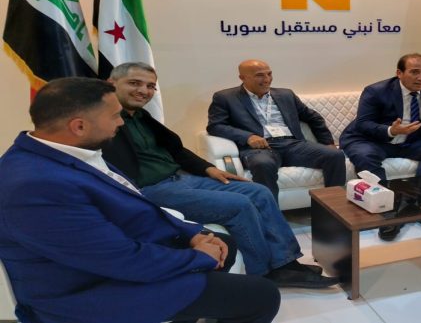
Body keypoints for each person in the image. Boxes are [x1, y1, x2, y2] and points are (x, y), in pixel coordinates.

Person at [0, 77, 280, 323]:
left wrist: (192, 233)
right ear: (79, 126)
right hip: (91, 291)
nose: (121, 123)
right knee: (261, 295)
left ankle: (189, 309)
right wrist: (196, 257)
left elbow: (139, 204)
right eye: (115, 116)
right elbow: (117, 260)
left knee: (224, 244)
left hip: (121, 256)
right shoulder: (34, 186)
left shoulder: (70, 150)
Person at [103, 62, 337, 289]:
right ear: (111, 83)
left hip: (180, 179)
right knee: (240, 205)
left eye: (150, 86)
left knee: (259, 192)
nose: (144, 91)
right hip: (150, 189)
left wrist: (210, 169)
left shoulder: (141, 116)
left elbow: (177, 151)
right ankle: (265, 273)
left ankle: (286, 262)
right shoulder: (103, 120)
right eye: (135, 83)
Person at [340, 53, 421, 241]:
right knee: (365, 156)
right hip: (371, 140)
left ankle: (419, 204)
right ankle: (388, 211)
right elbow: (363, 124)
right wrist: (391, 130)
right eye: (415, 72)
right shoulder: (376, 91)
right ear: (399, 73)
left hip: (411, 141)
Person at [207, 59, 346, 200]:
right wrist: (248, 137)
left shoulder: (286, 95)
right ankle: (270, 211)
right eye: (260, 75)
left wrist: (327, 142)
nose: (267, 79)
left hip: (292, 145)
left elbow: (313, 117)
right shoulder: (225, 98)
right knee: (263, 164)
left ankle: (332, 205)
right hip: (259, 149)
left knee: (335, 155)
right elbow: (215, 126)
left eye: (269, 74)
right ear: (243, 77)